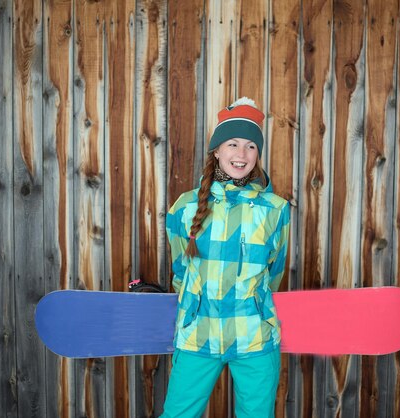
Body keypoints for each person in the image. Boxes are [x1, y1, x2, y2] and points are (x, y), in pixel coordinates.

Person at [161, 97, 290, 418]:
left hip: (254, 336)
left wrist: (257, 305)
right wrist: (193, 306)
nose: (241, 154)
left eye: (250, 146)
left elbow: (275, 270)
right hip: (198, 333)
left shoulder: (275, 209)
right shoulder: (185, 207)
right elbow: (180, 268)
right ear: (217, 151)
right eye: (232, 144)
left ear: (258, 154)